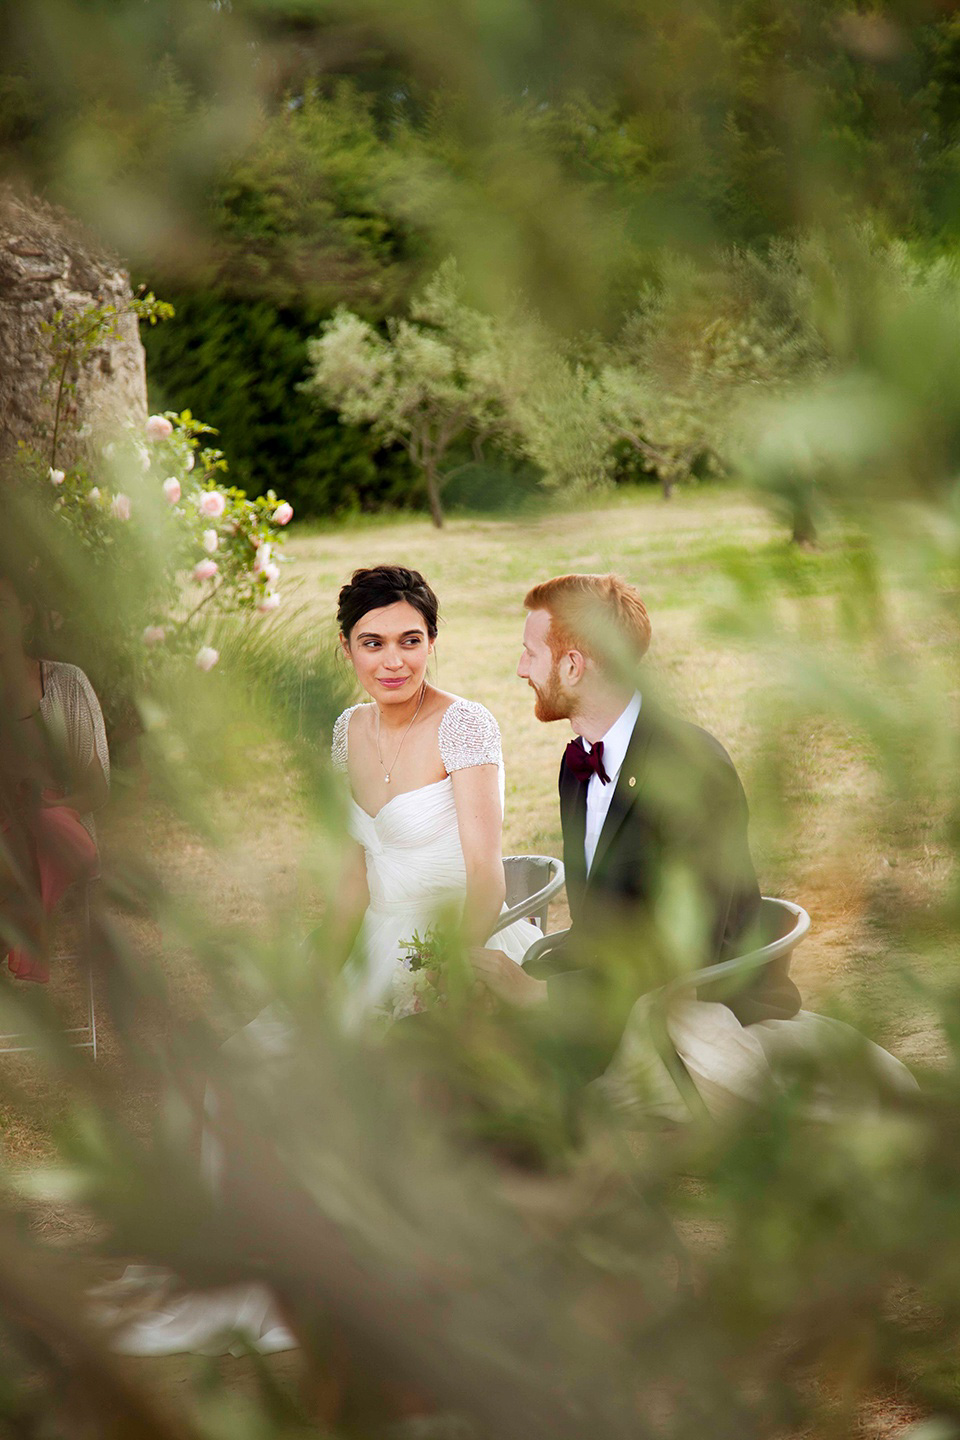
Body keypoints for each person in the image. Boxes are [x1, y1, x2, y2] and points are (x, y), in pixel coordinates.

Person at [98, 564, 540, 1357]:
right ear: (347, 649)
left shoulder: (466, 727)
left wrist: (443, 974)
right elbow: (347, 881)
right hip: (368, 944)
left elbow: (486, 876)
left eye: (411, 640)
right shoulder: (347, 731)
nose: (394, 660)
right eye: (373, 643)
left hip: (452, 942)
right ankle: (257, 1261)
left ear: (433, 641)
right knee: (241, 1060)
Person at [470, 572, 915, 1120]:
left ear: (573, 665)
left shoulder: (691, 768)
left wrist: (548, 999)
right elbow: (596, 928)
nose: (520, 669)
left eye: (529, 652)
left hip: (690, 1000)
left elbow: (692, 945)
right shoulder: (576, 763)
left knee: (500, 1106)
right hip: (607, 997)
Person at [0, 572, 108, 982]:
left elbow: (95, 791)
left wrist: (43, 809)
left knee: (42, 827)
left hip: (61, 824)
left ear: (26, 615)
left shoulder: (66, 683)